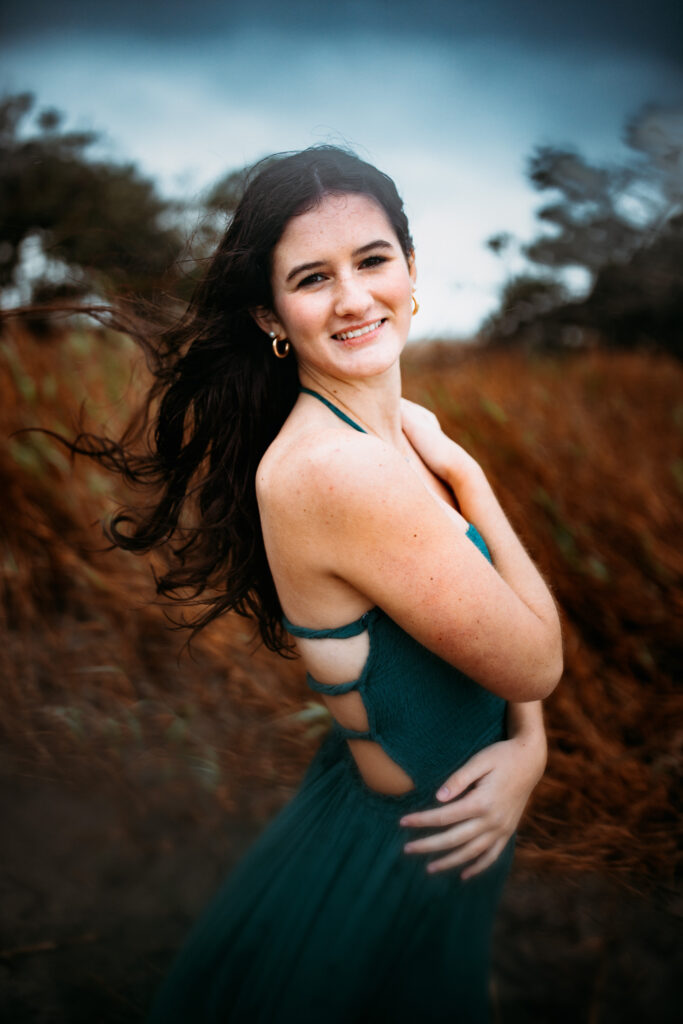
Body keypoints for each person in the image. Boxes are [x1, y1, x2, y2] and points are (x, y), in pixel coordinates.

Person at [74, 146, 562, 1021]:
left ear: (410, 270)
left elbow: (502, 660)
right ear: (271, 313)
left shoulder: (391, 434)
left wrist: (523, 746)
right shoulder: (340, 472)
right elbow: (533, 663)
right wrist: (472, 479)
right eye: (311, 277)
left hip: (432, 818)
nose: (352, 298)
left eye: (371, 260)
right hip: (401, 846)